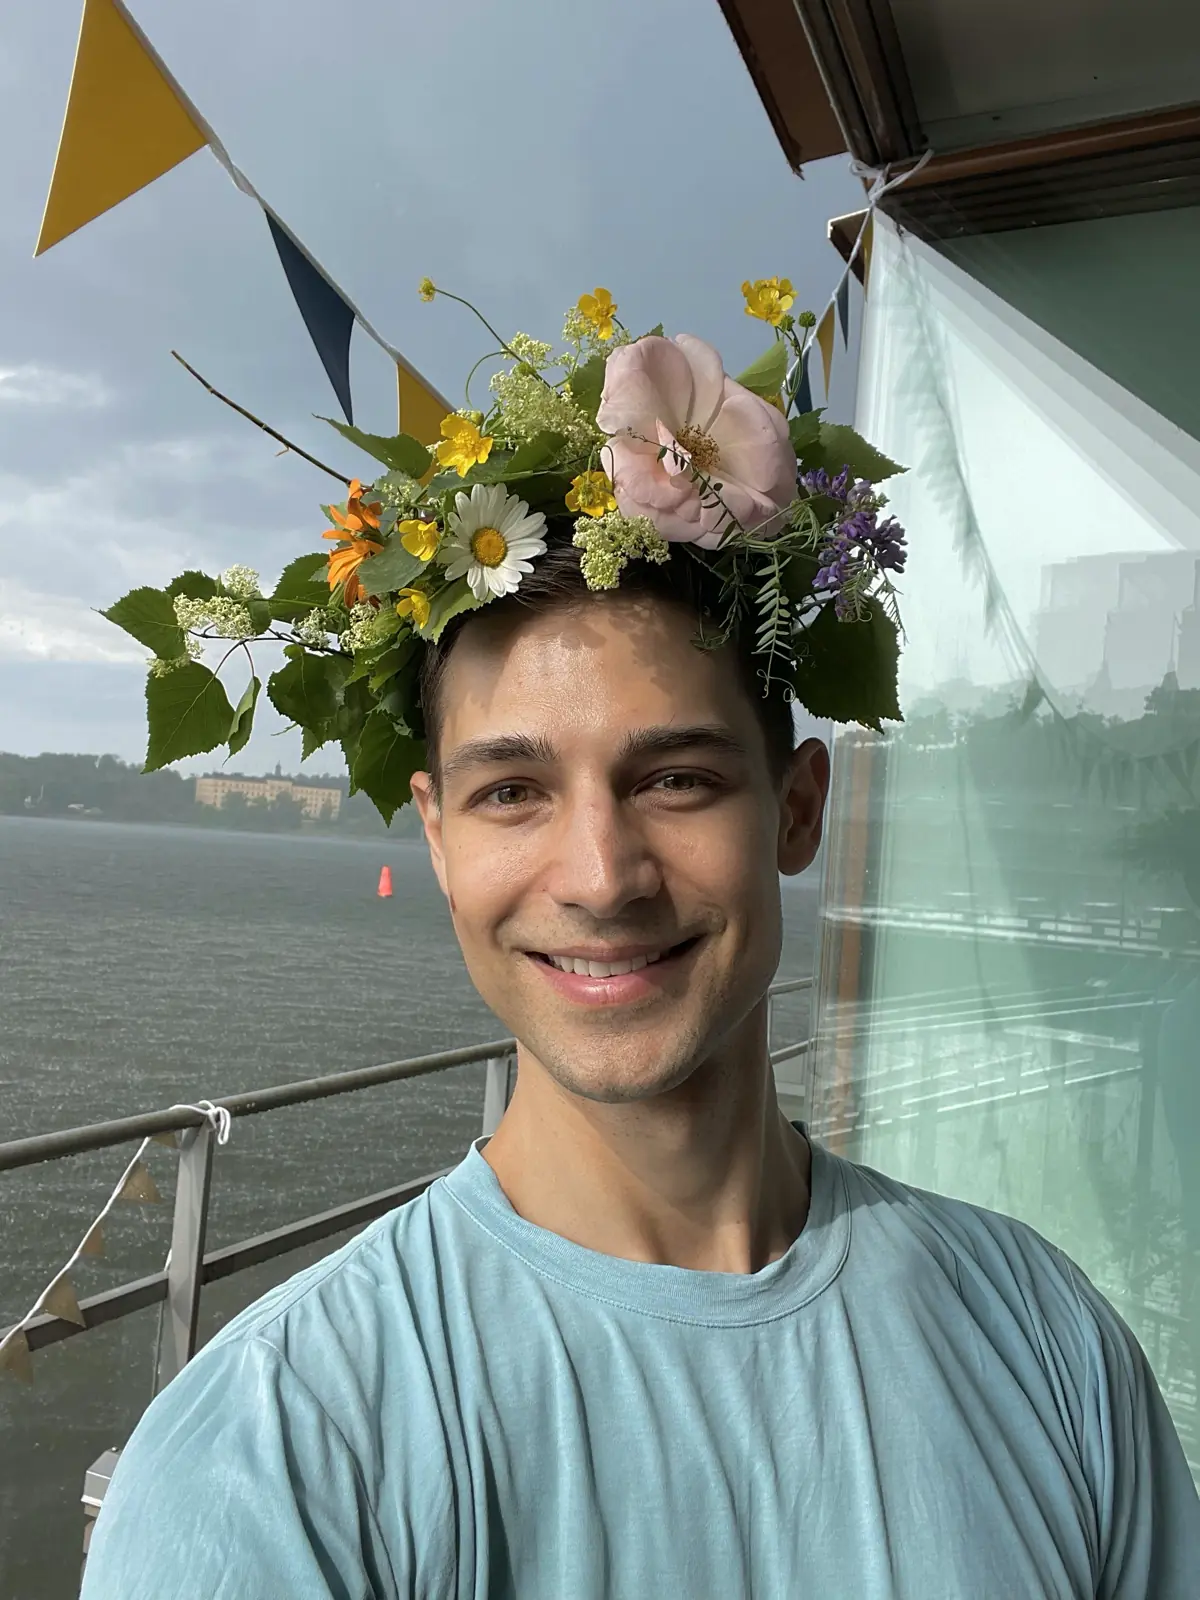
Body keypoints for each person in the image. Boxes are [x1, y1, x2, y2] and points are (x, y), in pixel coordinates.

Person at [86, 303, 1200, 1595]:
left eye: (674, 779)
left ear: (796, 810)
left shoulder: (1048, 1343)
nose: (602, 878)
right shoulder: (270, 1462)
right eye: (513, 792)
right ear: (438, 839)